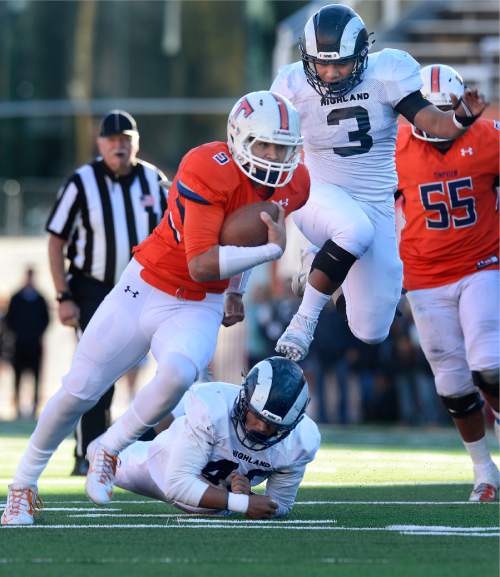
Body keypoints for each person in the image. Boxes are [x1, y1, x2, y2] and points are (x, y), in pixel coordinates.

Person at [1, 90, 309, 526]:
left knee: (180, 374)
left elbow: (245, 240)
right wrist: (271, 252)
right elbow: (202, 263)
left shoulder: (296, 182)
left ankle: (108, 447)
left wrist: (236, 288)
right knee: (78, 391)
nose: (277, 156)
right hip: (145, 286)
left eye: (284, 146)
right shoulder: (206, 166)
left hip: (199, 305)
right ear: (240, 138)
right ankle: (23, 485)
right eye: (266, 145)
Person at [270, 3, 489, 362]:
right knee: (353, 231)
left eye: (340, 63)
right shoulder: (291, 83)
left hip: (375, 204)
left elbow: (431, 123)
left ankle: (322, 267)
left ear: (362, 55)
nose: (329, 73)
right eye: (321, 63)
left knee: (371, 331)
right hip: (317, 194)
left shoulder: (387, 72)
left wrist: (459, 120)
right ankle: (303, 321)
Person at [395, 64, 499, 501]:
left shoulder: (488, 137)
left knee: (489, 360)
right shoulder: (394, 148)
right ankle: (484, 472)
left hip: (482, 263)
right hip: (424, 275)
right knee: (451, 383)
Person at [46, 109, 168, 475]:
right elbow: (56, 241)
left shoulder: (154, 180)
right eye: (113, 140)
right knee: (98, 369)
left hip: (145, 287)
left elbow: (179, 229)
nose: (119, 146)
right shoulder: (81, 182)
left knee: (153, 368)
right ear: (100, 144)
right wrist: (63, 296)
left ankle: (140, 447)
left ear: (136, 142)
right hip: (93, 289)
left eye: (126, 139)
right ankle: (87, 453)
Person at [112, 357, 320, 518]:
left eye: (274, 425)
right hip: (156, 470)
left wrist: (250, 497)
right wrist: (242, 503)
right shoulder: (214, 406)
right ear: (244, 400)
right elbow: (177, 485)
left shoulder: (301, 440)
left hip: (217, 505)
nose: (260, 428)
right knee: (103, 461)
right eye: (256, 416)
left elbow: (280, 505)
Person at [5, 267, 49, 419]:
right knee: (17, 377)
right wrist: (18, 334)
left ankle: (34, 406)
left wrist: (36, 334)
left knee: (36, 377)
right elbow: (9, 319)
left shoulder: (40, 299)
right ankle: (17, 406)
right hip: (19, 344)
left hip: (35, 344)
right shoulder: (16, 297)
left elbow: (46, 319)